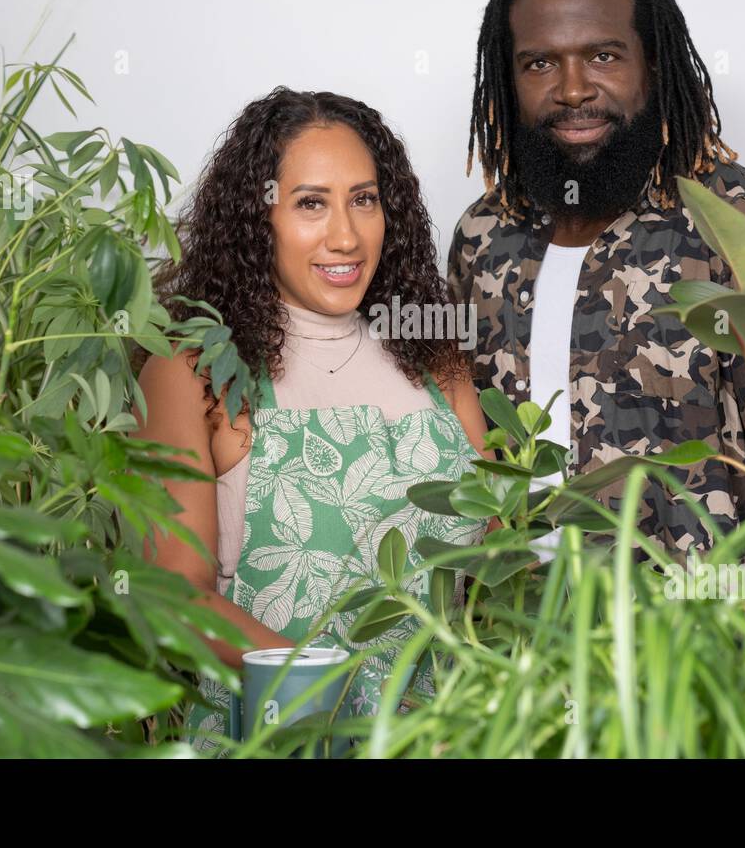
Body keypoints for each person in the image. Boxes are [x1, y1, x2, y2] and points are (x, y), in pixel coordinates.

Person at [447, 0, 745, 566]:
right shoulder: (483, 236)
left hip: (694, 644)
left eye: (604, 56)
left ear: (654, 64)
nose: (574, 89)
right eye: (540, 63)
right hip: (512, 638)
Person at [133, 88, 491, 753]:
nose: (346, 236)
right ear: (256, 218)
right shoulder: (193, 370)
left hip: (447, 737)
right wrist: (336, 690)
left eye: (363, 199)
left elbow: (501, 550)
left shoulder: (433, 355)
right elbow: (172, 595)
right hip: (277, 734)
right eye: (309, 204)